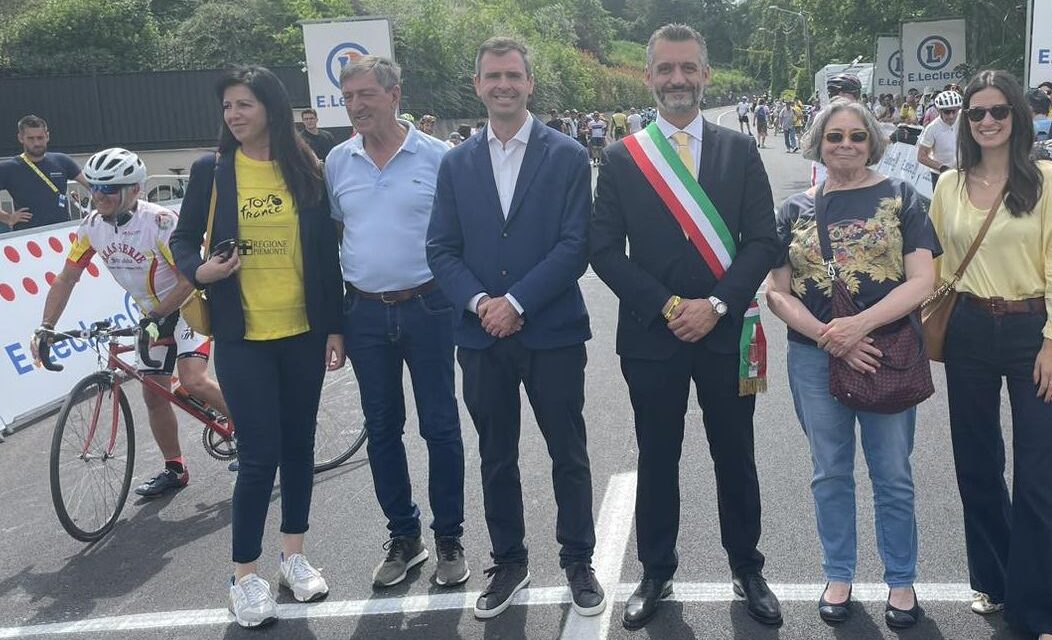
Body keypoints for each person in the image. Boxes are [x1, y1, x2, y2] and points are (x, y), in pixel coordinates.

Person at [589, 23, 783, 629]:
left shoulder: (738, 150)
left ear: (705, 74)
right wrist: (670, 307)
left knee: (736, 454)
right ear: (649, 76)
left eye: (688, 68)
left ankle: (747, 566)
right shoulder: (622, 157)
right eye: (667, 69)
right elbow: (603, 250)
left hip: (725, 332)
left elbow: (763, 240)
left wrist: (716, 305)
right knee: (657, 455)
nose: (678, 79)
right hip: (654, 335)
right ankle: (655, 570)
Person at [426, 36, 604, 621]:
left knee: (567, 452)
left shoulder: (567, 156)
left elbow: (576, 245)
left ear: (530, 83)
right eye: (493, 76)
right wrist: (483, 303)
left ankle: (578, 560)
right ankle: (509, 561)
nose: (503, 84)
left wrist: (519, 302)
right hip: (482, 336)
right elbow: (441, 249)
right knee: (495, 456)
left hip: (552, 333)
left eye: (513, 75)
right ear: (477, 85)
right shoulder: (455, 163)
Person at [170, 65, 345, 629]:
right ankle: (244, 576)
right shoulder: (213, 170)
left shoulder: (307, 168)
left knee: (298, 447)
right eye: (227, 107)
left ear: (271, 107)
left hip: (303, 332)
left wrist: (334, 326)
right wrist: (200, 271)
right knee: (258, 453)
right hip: (242, 336)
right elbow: (181, 238)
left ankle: (293, 557)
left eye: (244, 104)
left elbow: (325, 256)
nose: (234, 115)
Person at [766, 98, 939, 631]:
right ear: (818, 143)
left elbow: (923, 281)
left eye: (857, 136)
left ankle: (901, 579)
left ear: (873, 142)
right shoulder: (793, 210)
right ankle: (837, 574)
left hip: (886, 353)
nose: (846, 145)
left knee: (893, 475)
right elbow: (776, 292)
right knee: (829, 473)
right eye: (835, 136)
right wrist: (830, 337)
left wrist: (857, 328)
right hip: (814, 357)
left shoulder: (903, 197)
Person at [930, 69, 1052, 640]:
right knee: (977, 463)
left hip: (1030, 331)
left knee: (1039, 475)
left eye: (998, 111)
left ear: (1017, 115)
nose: (987, 121)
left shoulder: (1046, 178)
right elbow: (933, 266)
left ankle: (1045, 614)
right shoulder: (949, 184)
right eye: (976, 113)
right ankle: (994, 580)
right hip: (967, 330)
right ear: (964, 120)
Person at [324, 55, 470, 592]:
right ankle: (405, 537)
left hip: (429, 307)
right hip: (363, 312)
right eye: (348, 98)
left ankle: (449, 537)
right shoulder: (337, 161)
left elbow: (460, 237)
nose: (356, 106)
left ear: (394, 95)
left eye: (366, 94)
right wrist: (333, 323)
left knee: (440, 426)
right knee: (382, 429)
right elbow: (333, 241)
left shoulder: (438, 157)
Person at [31, 147, 230, 498]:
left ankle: (255, 436)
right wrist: (46, 326)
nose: (98, 195)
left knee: (193, 380)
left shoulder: (160, 223)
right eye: (95, 187)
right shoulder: (92, 226)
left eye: (109, 188)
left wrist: (158, 315)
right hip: (151, 315)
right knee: (154, 396)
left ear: (135, 189)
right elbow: (66, 277)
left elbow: (188, 278)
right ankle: (175, 468)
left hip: (186, 308)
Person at [0, 115, 88, 231]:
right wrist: (8, 218)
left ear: (47, 136)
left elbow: (91, 185)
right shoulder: (9, 168)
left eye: (40, 137)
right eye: (31, 138)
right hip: (27, 235)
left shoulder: (63, 161)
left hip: (63, 231)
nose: (36, 143)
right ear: (21, 138)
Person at [917, 90, 963, 189]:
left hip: (962, 172)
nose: (951, 116)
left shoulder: (964, 120)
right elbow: (921, 156)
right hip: (941, 174)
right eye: (947, 112)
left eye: (954, 111)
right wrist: (942, 167)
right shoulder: (932, 128)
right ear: (939, 110)